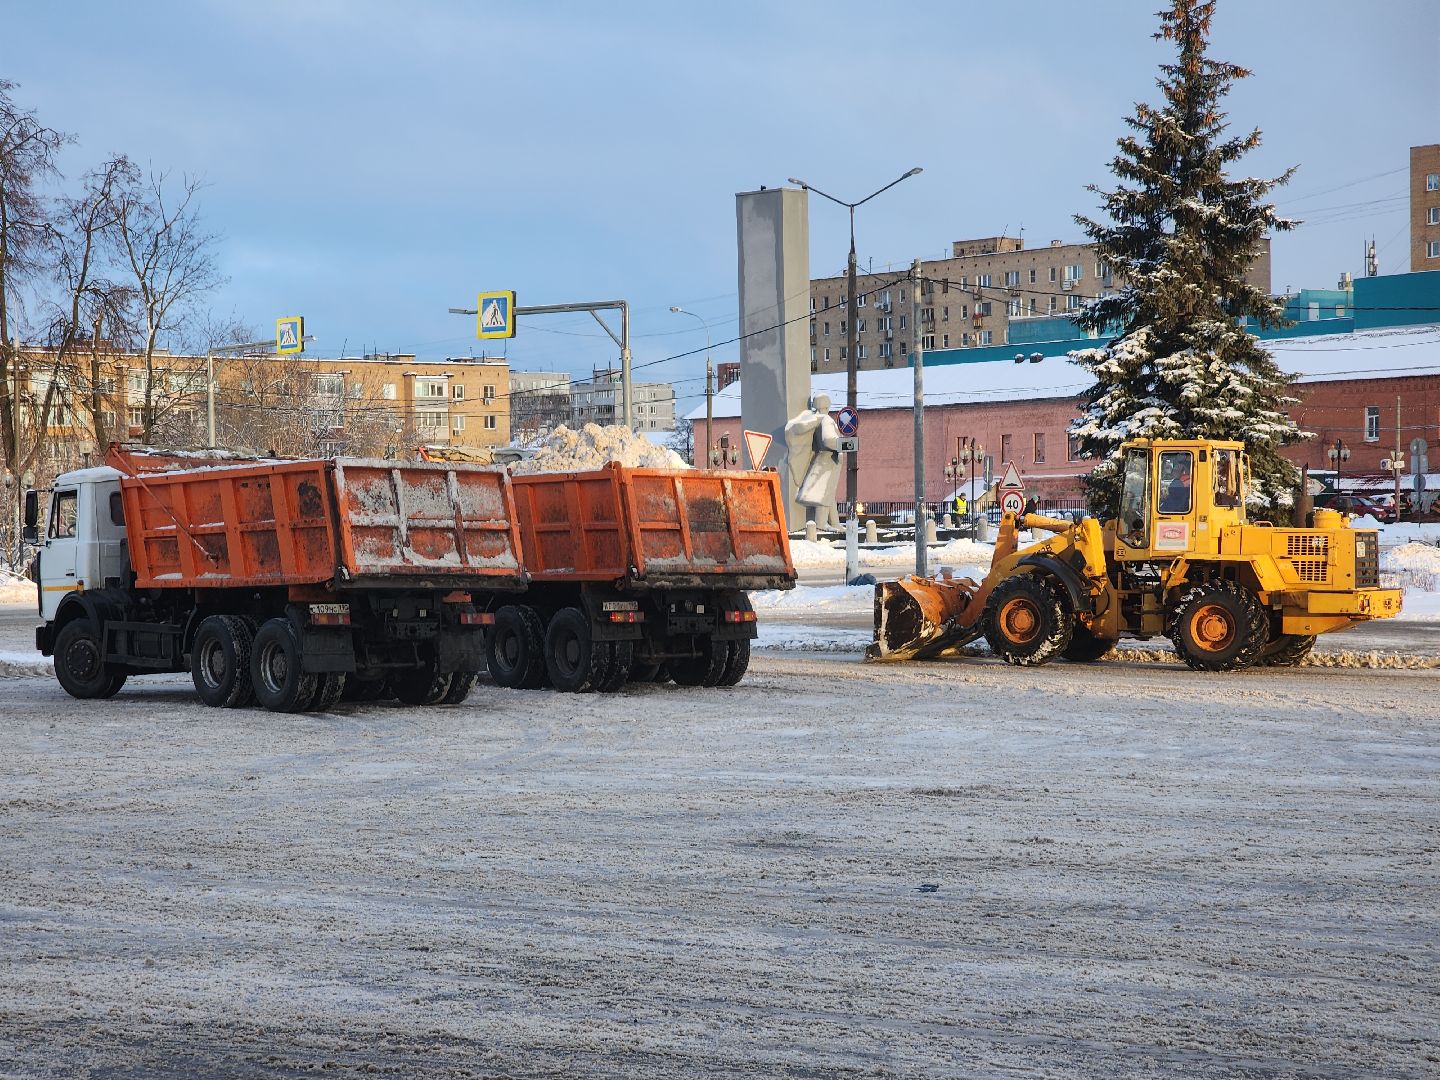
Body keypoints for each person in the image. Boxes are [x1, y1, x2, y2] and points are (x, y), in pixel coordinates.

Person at [783, 393, 842, 530]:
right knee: (823, 492)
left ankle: (835, 522)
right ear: (827, 405)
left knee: (828, 492)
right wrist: (842, 443)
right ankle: (821, 523)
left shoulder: (817, 419)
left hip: (822, 458)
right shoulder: (826, 420)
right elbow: (828, 439)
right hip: (828, 459)